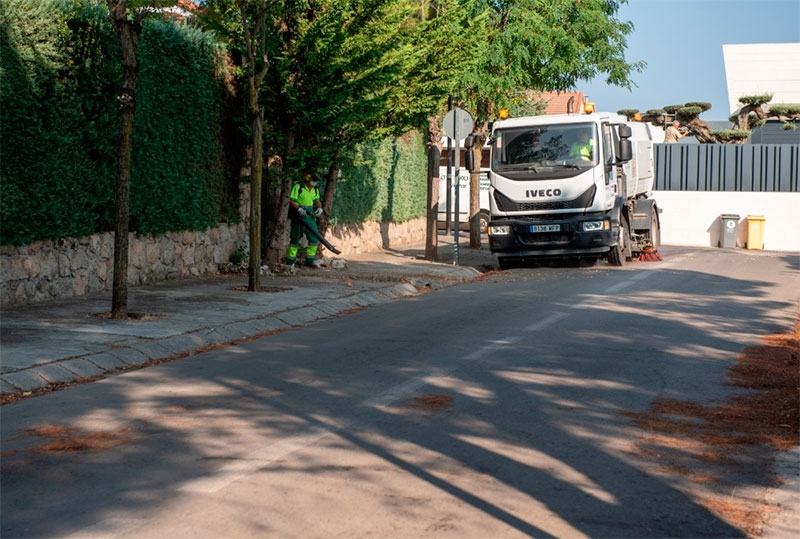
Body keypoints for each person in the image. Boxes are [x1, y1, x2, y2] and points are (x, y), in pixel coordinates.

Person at [286, 173, 325, 268]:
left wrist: (320, 208)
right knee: (295, 238)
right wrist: (298, 208)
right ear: (308, 180)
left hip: (310, 216)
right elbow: (292, 200)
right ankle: (290, 261)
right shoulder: (298, 187)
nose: (315, 183)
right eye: (314, 180)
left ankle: (310, 260)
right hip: (299, 216)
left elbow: (317, 200)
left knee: (314, 237)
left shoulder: (315, 189)